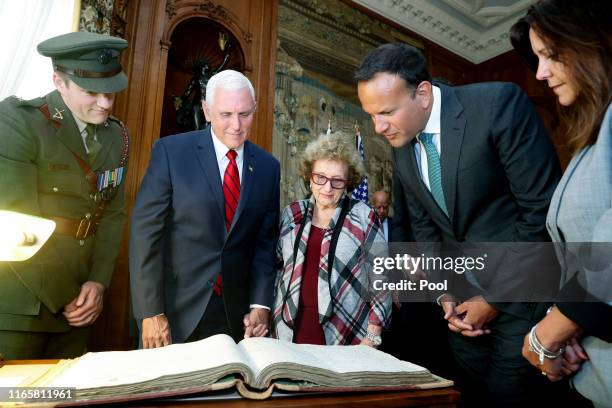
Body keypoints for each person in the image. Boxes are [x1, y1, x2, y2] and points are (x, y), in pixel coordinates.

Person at [355, 43, 561, 405]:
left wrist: (494, 299)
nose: (378, 127)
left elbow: (540, 212)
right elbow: (424, 229)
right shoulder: (401, 144)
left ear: (421, 93)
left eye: (386, 112)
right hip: (461, 313)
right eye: (371, 115)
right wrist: (443, 293)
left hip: (523, 301)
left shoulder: (497, 104)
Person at [0, 31, 130, 358]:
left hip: (81, 307)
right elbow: (15, 222)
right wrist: (67, 295)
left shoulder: (116, 135)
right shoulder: (17, 122)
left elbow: (111, 216)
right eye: (91, 92)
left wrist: (98, 283)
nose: (105, 103)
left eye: (111, 93)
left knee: (62, 396)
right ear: (59, 82)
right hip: (22, 305)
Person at [130, 70, 280, 348]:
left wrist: (261, 305)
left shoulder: (269, 168)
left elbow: (264, 244)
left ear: (255, 109)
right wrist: (150, 312)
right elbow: (145, 235)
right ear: (207, 110)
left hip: (236, 321)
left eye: (245, 114)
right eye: (226, 115)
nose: (236, 125)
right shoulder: (171, 152)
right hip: (171, 314)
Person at [510, 1, 612, 406]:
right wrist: (569, 324)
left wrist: (550, 332)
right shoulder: (591, 138)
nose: (540, 73)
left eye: (550, 55)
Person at [272, 132, 391, 346]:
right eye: (320, 178)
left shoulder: (363, 216)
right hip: (289, 329)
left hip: (347, 331)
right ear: (310, 176)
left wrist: (372, 335)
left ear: (348, 183)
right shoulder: (292, 213)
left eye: (337, 181)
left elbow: (382, 277)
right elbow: (276, 268)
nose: (327, 188)